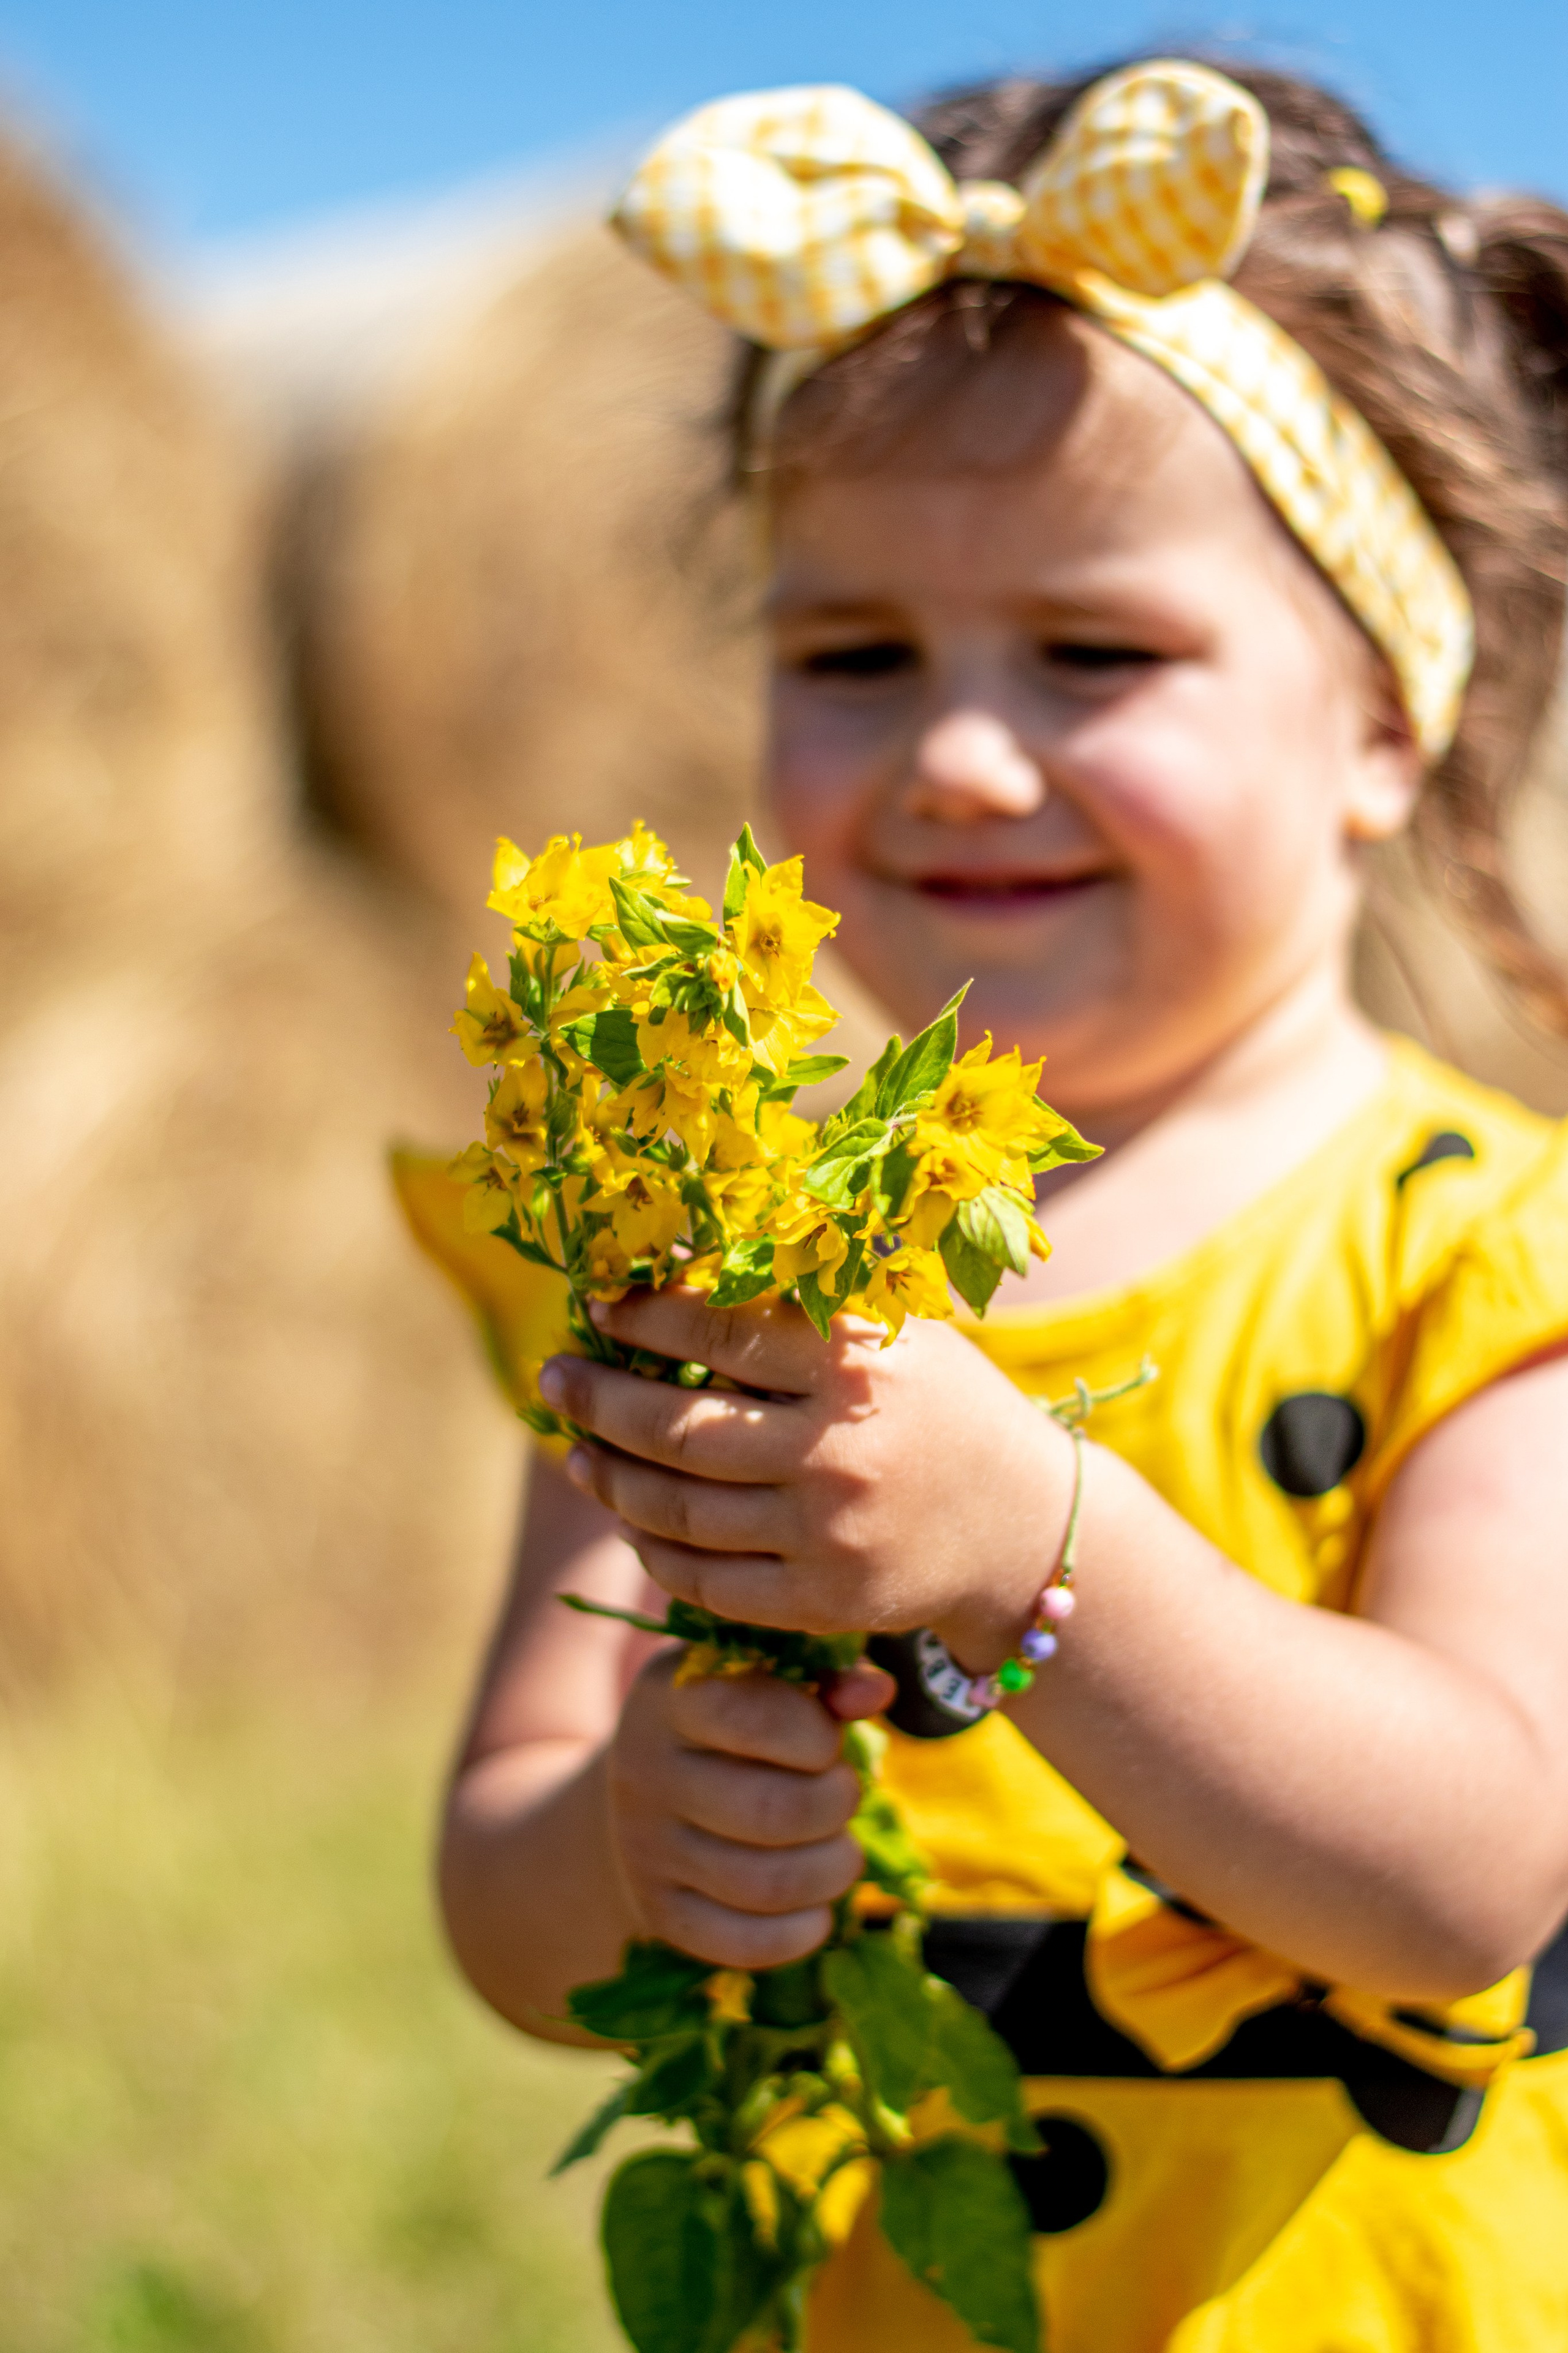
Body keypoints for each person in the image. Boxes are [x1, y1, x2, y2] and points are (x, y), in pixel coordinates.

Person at [430, 57, 1568, 2350]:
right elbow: (501, 1891)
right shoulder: (704, 1255)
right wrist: (637, 1836)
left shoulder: (1474, 1243)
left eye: (1097, 653)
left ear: (1385, 721)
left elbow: (1471, 1870)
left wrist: (1037, 1547)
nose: (959, 755)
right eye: (855, 658)